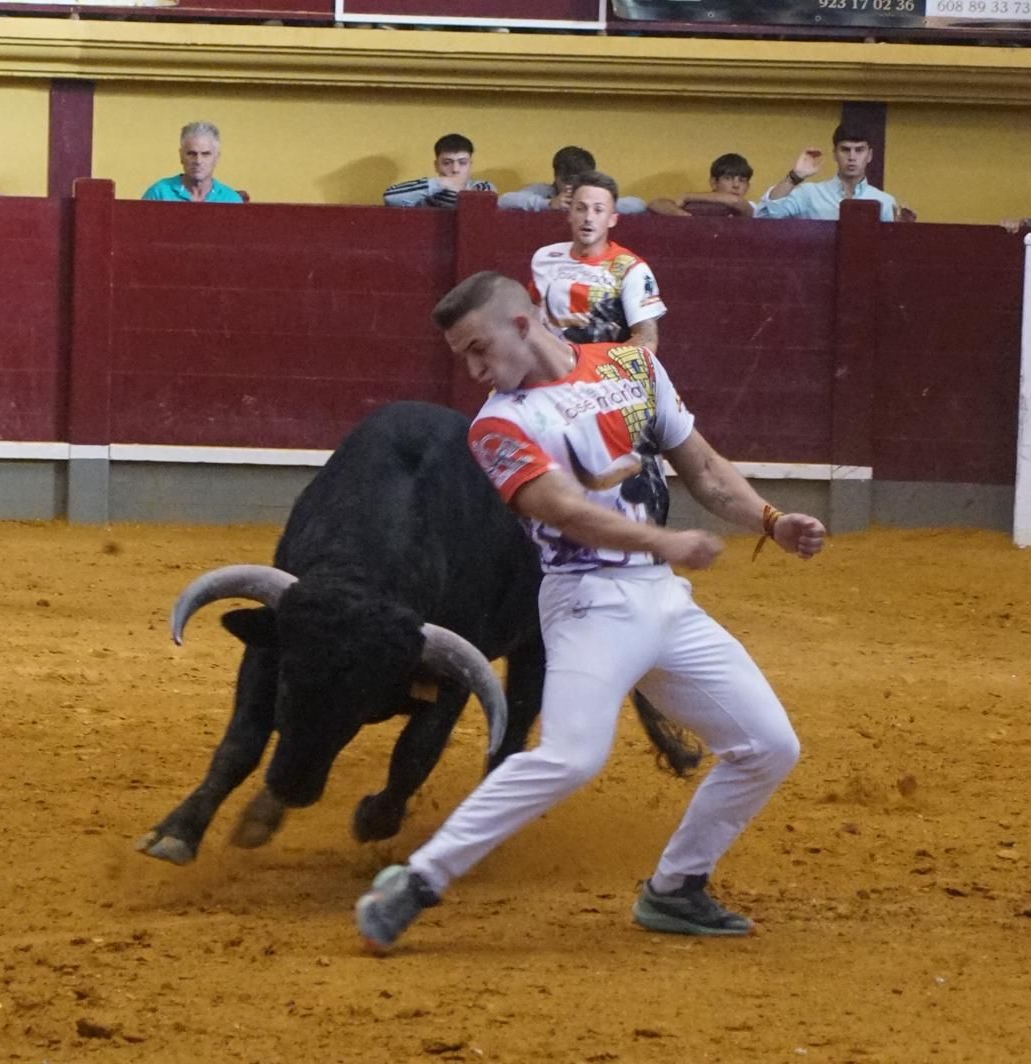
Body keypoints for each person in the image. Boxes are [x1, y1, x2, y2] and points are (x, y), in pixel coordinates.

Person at [354, 271, 826, 952]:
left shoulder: (634, 366)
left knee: (769, 746)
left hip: (664, 597)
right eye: (464, 357)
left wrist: (770, 520)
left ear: (522, 325)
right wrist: (666, 541)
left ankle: (675, 889)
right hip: (588, 601)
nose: (475, 371)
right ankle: (419, 879)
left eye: (479, 349)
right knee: (572, 756)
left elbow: (703, 467)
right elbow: (563, 511)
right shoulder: (498, 425)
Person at [529, 171, 665, 353]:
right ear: (569, 214)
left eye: (598, 210)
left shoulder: (632, 269)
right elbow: (532, 316)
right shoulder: (545, 257)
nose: (588, 218)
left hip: (602, 368)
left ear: (612, 219)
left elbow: (646, 342)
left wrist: (590, 364)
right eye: (581, 208)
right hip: (549, 364)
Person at [755, 124, 899, 222]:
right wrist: (794, 177)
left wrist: (904, 227)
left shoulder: (885, 202)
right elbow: (764, 217)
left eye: (859, 150)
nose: (852, 157)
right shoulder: (809, 194)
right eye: (845, 150)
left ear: (870, 155)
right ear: (835, 154)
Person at [498, 146, 646, 215]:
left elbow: (638, 205)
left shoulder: (598, 193)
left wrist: (598, 205)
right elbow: (504, 200)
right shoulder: (545, 192)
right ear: (556, 177)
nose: (572, 187)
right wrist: (548, 204)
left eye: (579, 182)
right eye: (566, 181)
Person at [383, 134, 497, 209]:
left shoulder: (483, 187)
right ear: (436, 166)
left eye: (462, 163)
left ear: (470, 165)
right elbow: (390, 198)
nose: (455, 169)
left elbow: (481, 204)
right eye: (447, 163)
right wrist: (441, 183)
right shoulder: (426, 191)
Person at [141, 122, 245, 204]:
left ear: (217, 158)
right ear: (181, 156)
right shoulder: (159, 194)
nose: (198, 161)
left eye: (205, 154)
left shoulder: (231, 200)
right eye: (191, 154)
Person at [648, 153, 757, 218]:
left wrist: (688, 196)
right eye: (728, 178)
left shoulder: (754, 207)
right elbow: (655, 204)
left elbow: (735, 201)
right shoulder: (699, 203)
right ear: (714, 183)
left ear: (747, 186)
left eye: (742, 180)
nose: (736, 185)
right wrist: (683, 216)